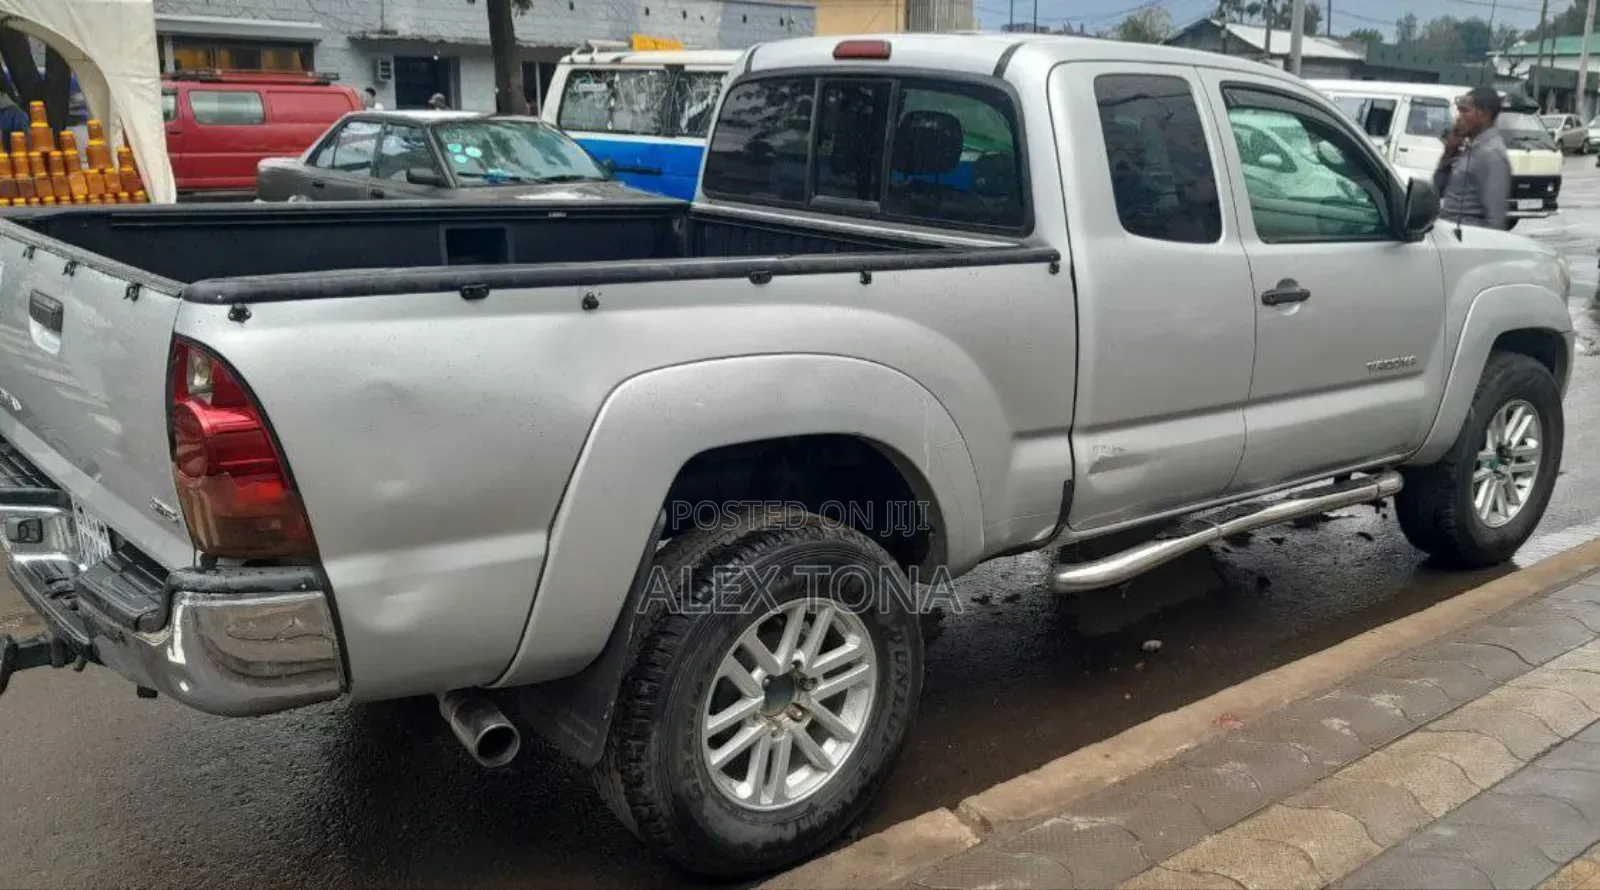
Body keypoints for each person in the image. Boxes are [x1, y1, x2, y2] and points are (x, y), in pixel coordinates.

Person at [1433, 86, 1512, 231]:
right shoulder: (1471, 148)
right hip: (1449, 233)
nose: (1459, 117)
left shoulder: (1492, 154)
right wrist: (1449, 153)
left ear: (1484, 115)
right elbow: (1437, 190)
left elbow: (1495, 220)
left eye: (1465, 111)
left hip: (1467, 240)